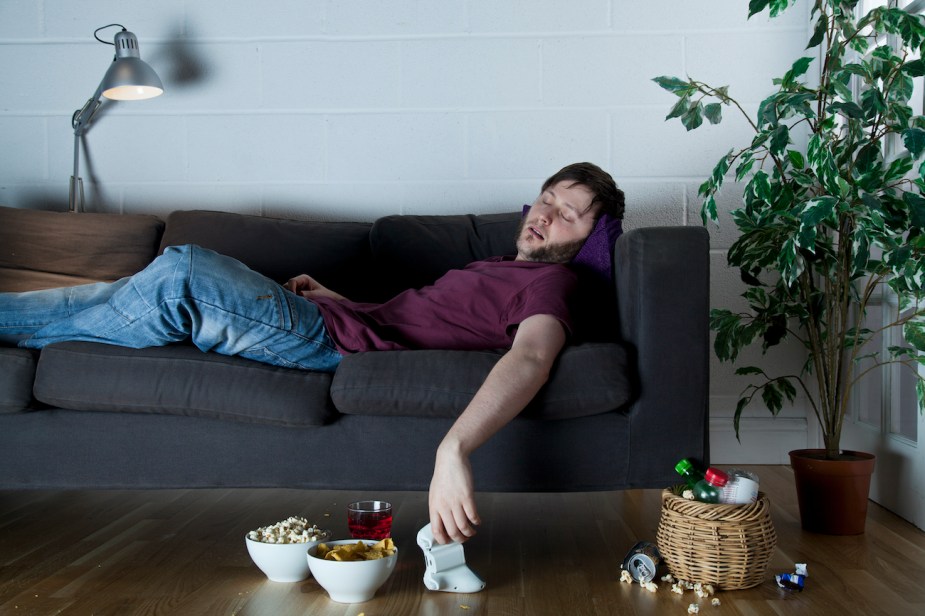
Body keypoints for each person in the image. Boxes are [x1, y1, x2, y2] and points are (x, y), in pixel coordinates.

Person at [0, 162, 624, 544]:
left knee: (184, 270)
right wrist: (339, 298)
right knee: (151, 292)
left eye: (569, 216)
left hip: (324, 342)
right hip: (332, 319)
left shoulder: (552, 284)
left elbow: (530, 360)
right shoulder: (497, 264)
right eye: (548, 199)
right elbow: (409, 322)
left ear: (588, 240)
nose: (547, 215)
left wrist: (453, 450)